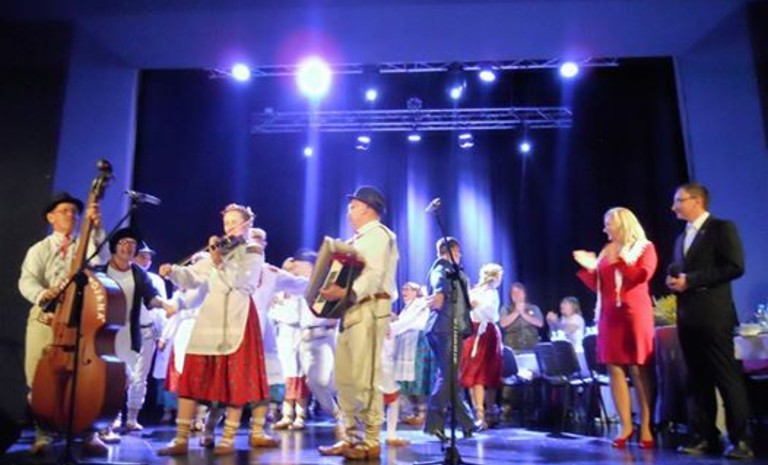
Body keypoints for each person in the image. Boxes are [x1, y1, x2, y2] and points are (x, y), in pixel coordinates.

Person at [157, 203, 268, 456]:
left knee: (235, 381)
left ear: (247, 224)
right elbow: (194, 276)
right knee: (192, 377)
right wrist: (174, 272)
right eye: (226, 223)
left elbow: (240, 282)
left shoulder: (253, 251)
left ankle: (228, 438)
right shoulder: (218, 252)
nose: (229, 227)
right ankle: (181, 438)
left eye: (234, 222)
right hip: (210, 318)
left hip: (238, 317)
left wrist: (219, 262)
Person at [18, 192, 111, 455]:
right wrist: (42, 294)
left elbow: (102, 259)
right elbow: (27, 280)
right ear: (51, 217)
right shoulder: (40, 249)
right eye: (64, 211)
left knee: (84, 380)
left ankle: (89, 433)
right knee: (39, 378)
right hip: (45, 321)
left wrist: (97, 228)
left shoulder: (84, 245)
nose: (71, 215)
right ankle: (43, 435)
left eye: (74, 212)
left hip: (77, 322)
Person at [666, 182, 753, 459]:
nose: (674, 207)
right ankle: (704, 436)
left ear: (697, 201)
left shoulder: (720, 228)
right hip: (688, 317)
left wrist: (692, 280)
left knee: (726, 378)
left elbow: (735, 266)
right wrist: (675, 280)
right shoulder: (681, 237)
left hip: (714, 316)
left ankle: (740, 440)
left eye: (679, 201)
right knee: (697, 379)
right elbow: (682, 270)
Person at [317, 186, 399, 461]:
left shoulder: (378, 235)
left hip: (370, 309)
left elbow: (373, 275)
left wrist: (345, 293)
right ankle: (351, 436)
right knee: (345, 378)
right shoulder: (358, 239)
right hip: (351, 311)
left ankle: (371, 439)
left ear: (366, 208)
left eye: (353, 206)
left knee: (366, 378)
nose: (349, 211)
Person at [574, 207, 656, 449]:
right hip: (609, 315)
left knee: (638, 369)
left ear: (622, 224)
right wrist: (590, 267)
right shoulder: (606, 250)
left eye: (608, 223)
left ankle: (646, 425)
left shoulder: (644, 247)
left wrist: (618, 260)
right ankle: (625, 426)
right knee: (614, 368)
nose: (605, 228)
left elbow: (641, 275)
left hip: (634, 314)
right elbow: (600, 286)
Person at [94, 229, 177, 444]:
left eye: (132, 243)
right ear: (114, 246)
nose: (128, 246)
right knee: (104, 379)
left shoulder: (138, 274)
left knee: (125, 379)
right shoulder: (100, 272)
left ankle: (110, 422)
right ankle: (101, 425)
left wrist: (165, 304)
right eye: (124, 242)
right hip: (103, 332)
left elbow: (151, 297)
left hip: (128, 334)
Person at [423, 237, 476, 440]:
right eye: (458, 252)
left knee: (451, 377)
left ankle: (467, 423)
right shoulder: (442, 269)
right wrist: (439, 295)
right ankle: (434, 424)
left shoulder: (448, 270)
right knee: (447, 377)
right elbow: (439, 289)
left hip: (447, 327)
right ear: (453, 251)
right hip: (446, 328)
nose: (460, 256)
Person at [460, 263, 504, 430]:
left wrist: (476, 305)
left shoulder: (491, 293)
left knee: (488, 373)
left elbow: (491, 313)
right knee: (474, 373)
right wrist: (473, 305)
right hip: (475, 332)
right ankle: (479, 414)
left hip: (486, 332)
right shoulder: (477, 292)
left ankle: (488, 410)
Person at [393, 282, 433, 426]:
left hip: (417, 342)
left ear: (416, 292)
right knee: (404, 379)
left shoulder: (420, 304)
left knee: (417, 378)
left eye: (408, 289)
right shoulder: (407, 307)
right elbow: (403, 323)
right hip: (405, 343)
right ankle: (410, 412)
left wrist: (391, 327)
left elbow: (408, 323)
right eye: (403, 289)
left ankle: (422, 412)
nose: (404, 292)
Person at [499, 283, 544, 351]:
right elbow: (503, 324)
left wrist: (523, 313)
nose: (516, 295)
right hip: (512, 347)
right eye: (514, 293)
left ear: (524, 294)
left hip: (532, 347)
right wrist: (516, 312)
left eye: (519, 293)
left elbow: (540, 323)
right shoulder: (506, 309)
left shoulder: (533, 308)